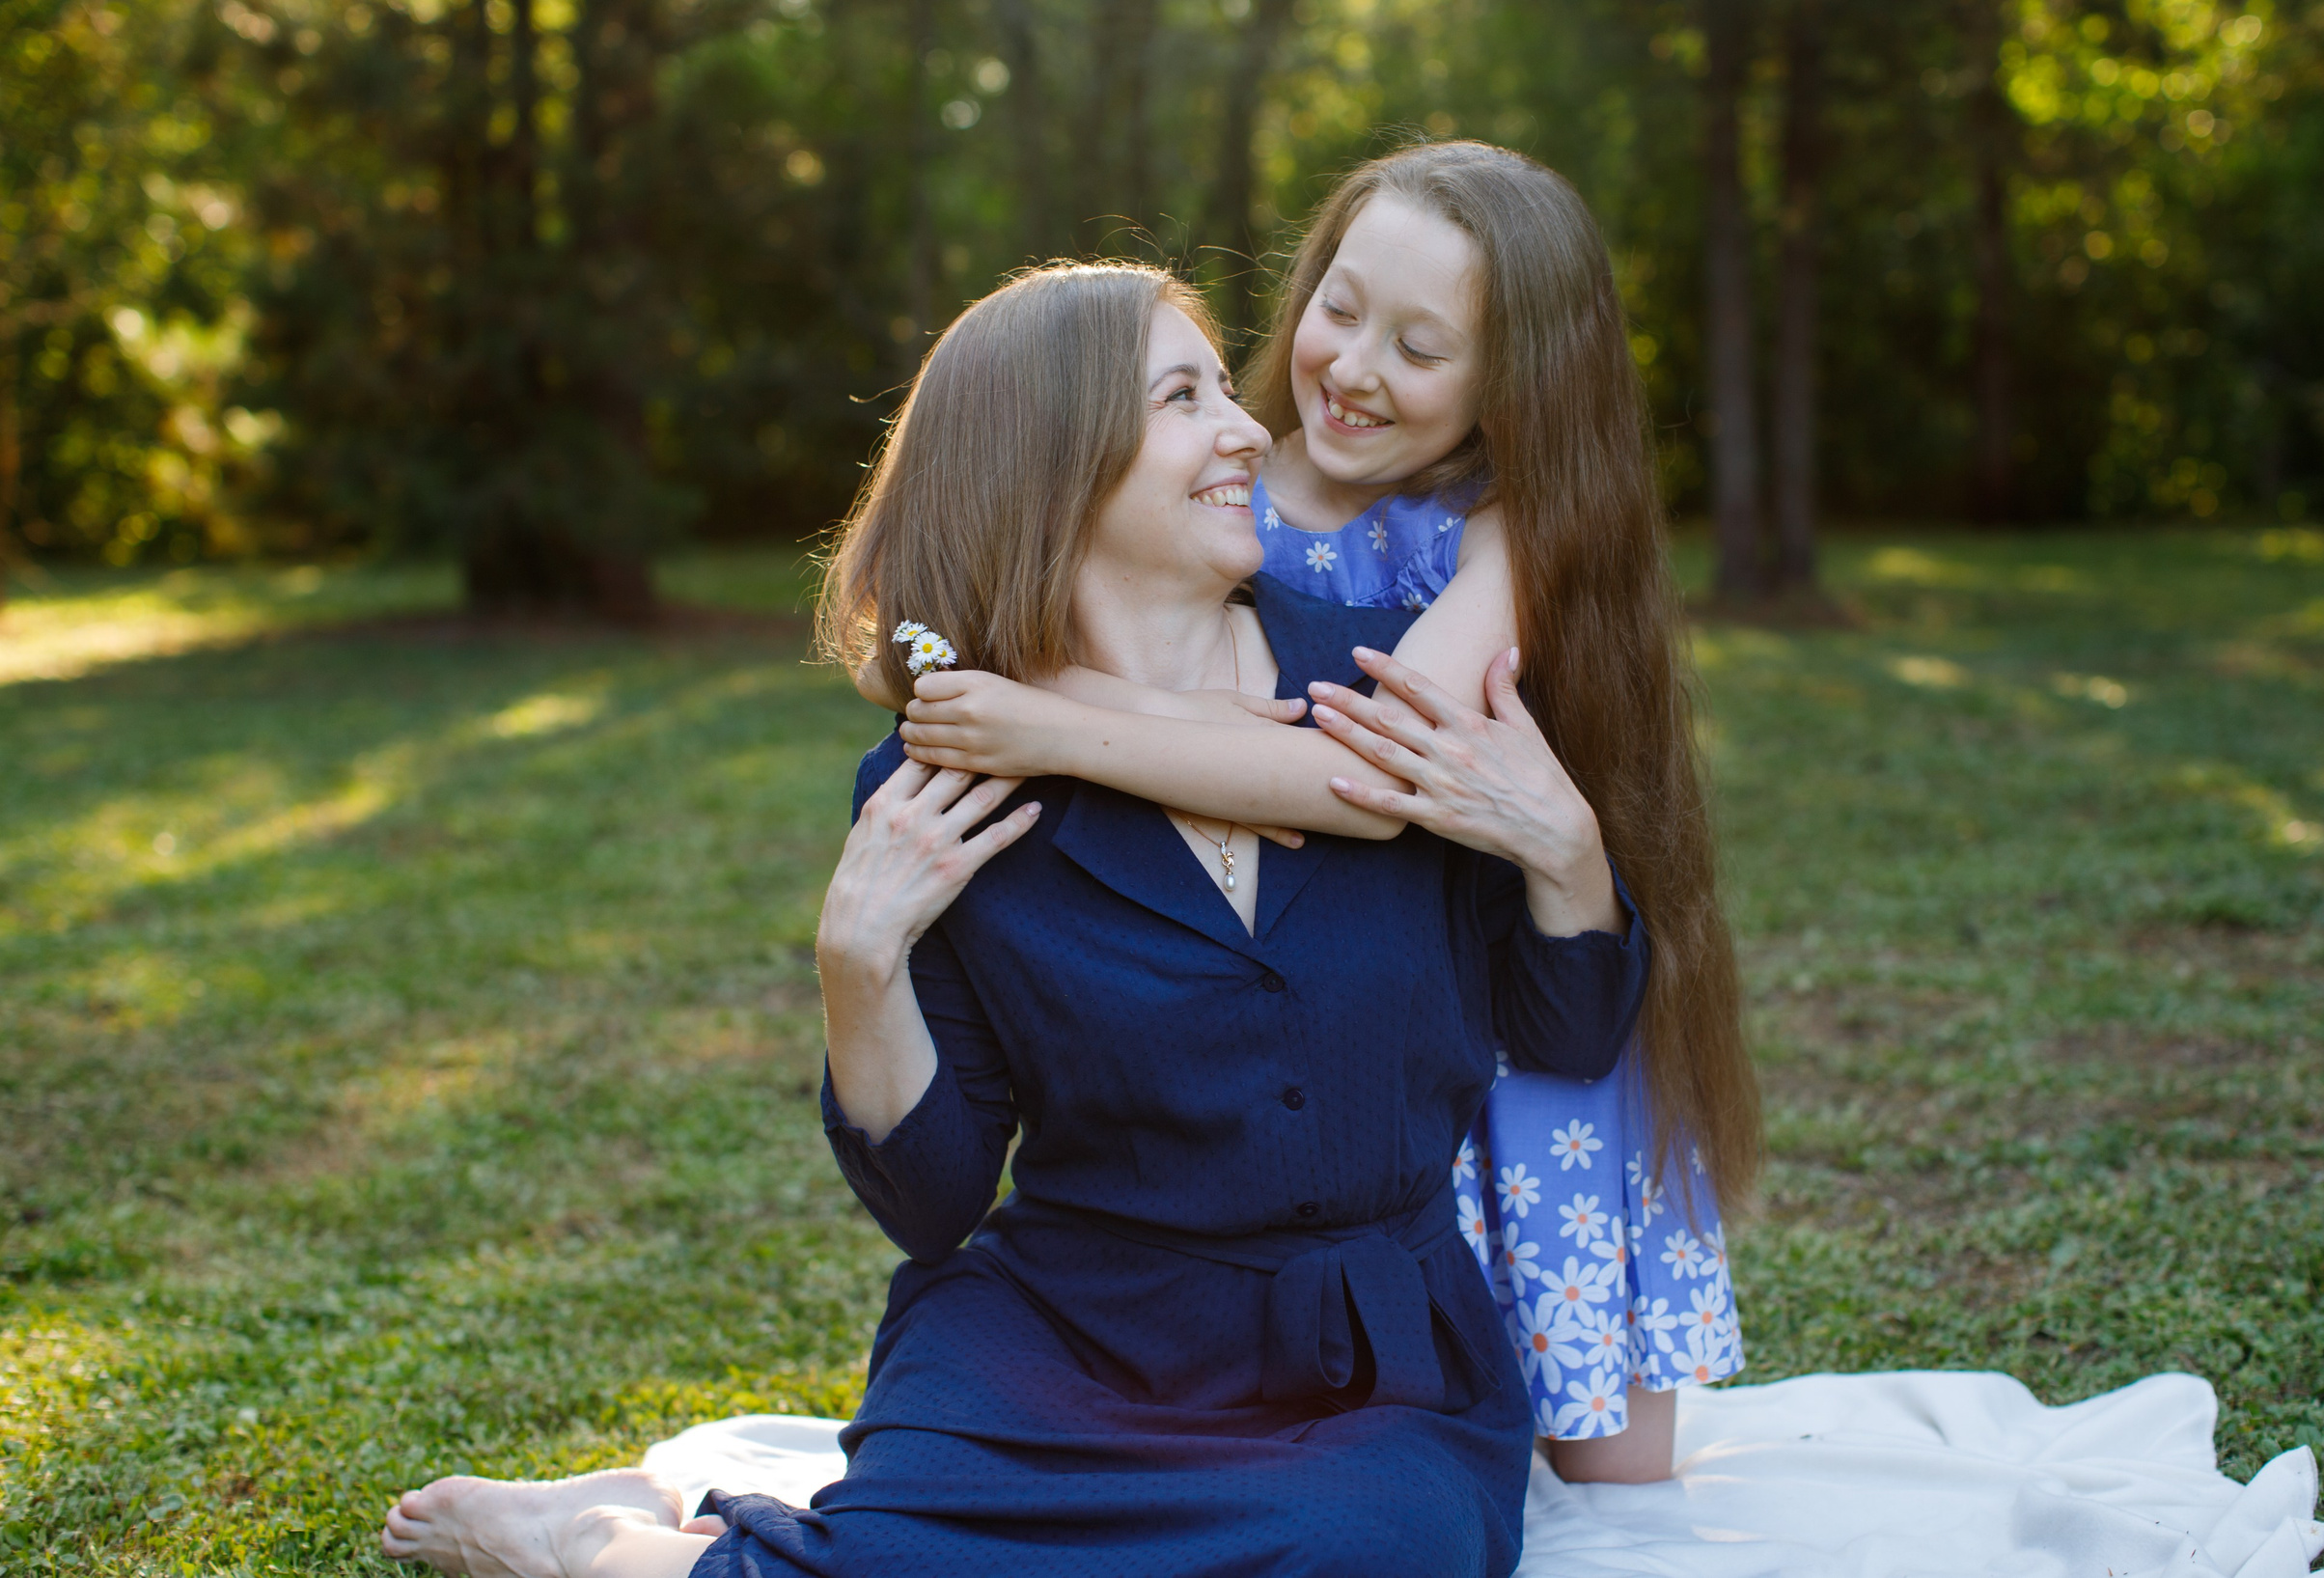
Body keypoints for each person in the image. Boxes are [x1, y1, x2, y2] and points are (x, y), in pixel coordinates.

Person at [379, 260, 1646, 1578]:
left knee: (1372, 1557)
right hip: (1067, 1344)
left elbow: (1568, 1027)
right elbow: (934, 1204)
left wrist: (1566, 857)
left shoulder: (1390, 688)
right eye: (1184, 397)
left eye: (1226, 388)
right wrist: (857, 966)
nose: (1249, 429)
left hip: (1361, 1369)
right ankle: (589, 1541)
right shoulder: (948, 775)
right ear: (1056, 461)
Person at [894, 141, 1758, 1481]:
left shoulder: (1503, 527)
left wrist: (1060, 728)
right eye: (1339, 310)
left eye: (1421, 348)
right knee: (1353, 1430)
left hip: (1520, 1022)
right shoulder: (1221, 499)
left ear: (1512, 383)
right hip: (1333, 1051)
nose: (1352, 369)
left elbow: (1375, 773)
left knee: (1613, 1492)